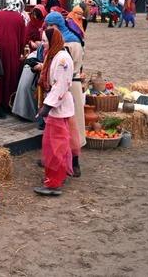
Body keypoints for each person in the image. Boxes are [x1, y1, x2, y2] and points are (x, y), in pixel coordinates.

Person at [34, 28, 74, 196]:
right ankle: (59, 175)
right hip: (58, 106)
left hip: (58, 107)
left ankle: (54, 183)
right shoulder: (55, 56)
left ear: (53, 41)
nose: (42, 44)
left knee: (55, 146)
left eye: (45, 41)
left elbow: (61, 85)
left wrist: (46, 107)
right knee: (58, 144)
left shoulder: (62, 58)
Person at [45, 11, 85, 176]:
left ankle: (73, 163)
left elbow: (65, 70)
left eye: (51, 26)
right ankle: (59, 160)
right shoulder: (74, 38)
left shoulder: (67, 44)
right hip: (70, 85)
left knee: (70, 128)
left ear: (58, 26)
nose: (49, 29)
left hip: (68, 88)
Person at [0, 6, 26, 115]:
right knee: (10, 76)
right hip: (12, 50)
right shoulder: (19, 17)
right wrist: (20, 51)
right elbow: (23, 37)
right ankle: (8, 103)